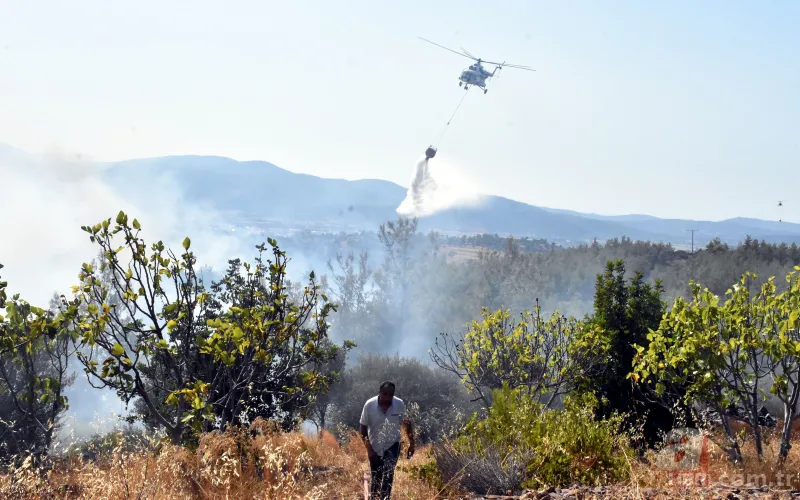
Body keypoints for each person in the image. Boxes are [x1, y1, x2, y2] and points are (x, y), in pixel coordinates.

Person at [360, 381, 415, 500]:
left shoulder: (399, 404)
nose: (387, 397)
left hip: (393, 444)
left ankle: (385, 498)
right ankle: (373, 497)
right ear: (379, 393)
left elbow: (407, 424)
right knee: (376, 476)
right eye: (385, 394)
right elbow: (363, 429)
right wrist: (369, 450)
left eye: (390, 394)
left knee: (388, 474)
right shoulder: (369, 405)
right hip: (375, 446)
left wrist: (412, 443)